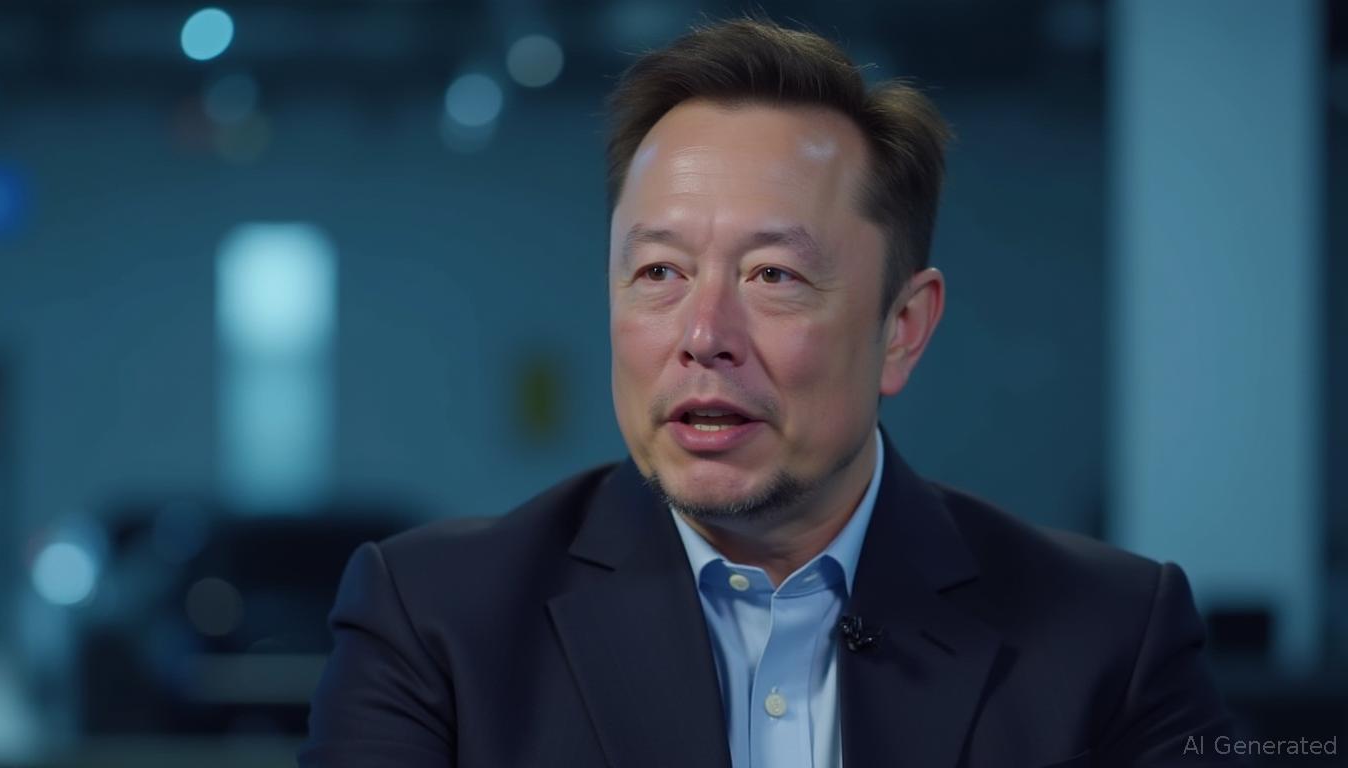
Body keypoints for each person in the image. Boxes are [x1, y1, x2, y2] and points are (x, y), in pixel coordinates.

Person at [299, 17, 1241, 768]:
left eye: (774, 276)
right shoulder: (432, 624)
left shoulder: (1109, 638)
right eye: (660, 273)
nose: (703, 335)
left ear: (902, 329)